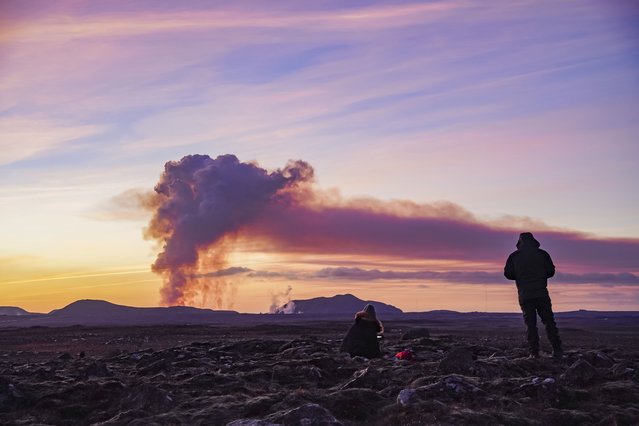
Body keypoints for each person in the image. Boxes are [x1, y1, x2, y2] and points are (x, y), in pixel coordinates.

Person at [504, 232, 563, 358]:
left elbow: (508, 274)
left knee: (530, 324)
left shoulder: (514, 256)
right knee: (549, 322)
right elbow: (550, 271)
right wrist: (539, 275)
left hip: (525, 295)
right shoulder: (543, 254)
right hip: (541, 293)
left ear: (520, 242)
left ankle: (534, 352)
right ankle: (557, 350)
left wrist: (521, 276)